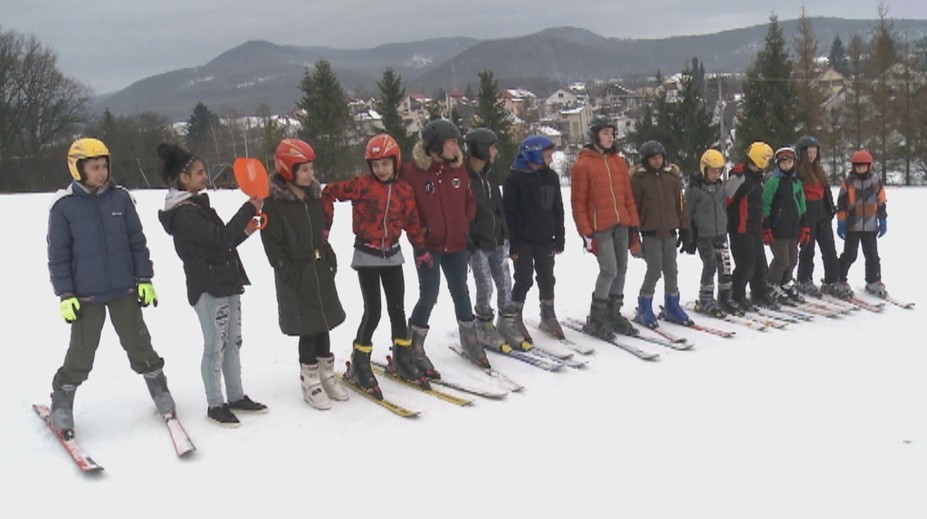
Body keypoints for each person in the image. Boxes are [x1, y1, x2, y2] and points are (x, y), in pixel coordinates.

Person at [47, 138, 176, 438]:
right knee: (82, 352)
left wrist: (144, 278)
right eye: (94, 167)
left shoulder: (120, 199)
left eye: (104, 166)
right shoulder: (64, 207)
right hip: (85, 295)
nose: (102, 172)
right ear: (78, 169)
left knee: (139, 343)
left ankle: (159, 388)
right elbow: (58, 256)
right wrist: (65, 295)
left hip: (123, 290)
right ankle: (62, 400)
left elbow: (137, 243)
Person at [156, 142, 267, 427]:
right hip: (208, 288)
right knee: (215, 345)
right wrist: (248, 208)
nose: (206, 177)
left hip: (227, 280)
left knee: (233, 342)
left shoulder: (197, 206)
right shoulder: (184, 214)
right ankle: (215, 403)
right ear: (184, 178)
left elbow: (223, 242)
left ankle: (236, 395)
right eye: (200, 172)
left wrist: (245, 230)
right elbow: (219, 239)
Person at [321, 134, 431, 399]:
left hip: (392, 254)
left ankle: (403, 358)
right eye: (375, 164)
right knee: (374, 311)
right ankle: (360, 363)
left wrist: (422, 249)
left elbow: (413, 223)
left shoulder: (404, 191)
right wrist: (325, 227)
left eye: (385, 164)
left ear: (395, 162)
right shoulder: (362, 185)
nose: (381, 169)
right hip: (367, 255)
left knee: (397, 309)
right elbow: (329, 193)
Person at [260, 138, 348, 410]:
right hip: (296, 275)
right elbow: (272, 246)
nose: (311, 174)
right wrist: (289, 272)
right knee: (308, 329)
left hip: (318, 269)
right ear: (288, 170)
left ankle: (325, 375)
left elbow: (319, 231)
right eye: (305, 170)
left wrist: (328, 254)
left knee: (323, 324)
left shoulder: (312, 197)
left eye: (312, 168)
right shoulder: (274, 204)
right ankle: (310, 380)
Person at [401, 119, 486, 375]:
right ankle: (412, 345)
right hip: (428, 246)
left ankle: (470, 339)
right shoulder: (412, 173)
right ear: (436, 145)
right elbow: (408, 210)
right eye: (452, 142)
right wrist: (421, 235)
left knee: (461, 290)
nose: (456, 147)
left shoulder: (459, 170)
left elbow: (469, 200)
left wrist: (467, 224)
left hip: (457, 243)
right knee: (429, 293)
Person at [570, 117, 641, 340]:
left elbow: (628, 196)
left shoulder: (619, 162)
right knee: (609, 269)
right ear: (595, 136)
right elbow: (578, 202)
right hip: (600, 226)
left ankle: (613, 312)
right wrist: (586, 233)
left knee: (621, 269)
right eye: (605, 133)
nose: (610, 136)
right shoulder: (583, 165)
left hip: (622, 224)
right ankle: (597, 316)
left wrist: (633, 225)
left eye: (612, 132)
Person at [463, 128, 530, 351]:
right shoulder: (463, 178)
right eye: (492, 147)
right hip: (477, 243)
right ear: (480, 148)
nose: (496, 152)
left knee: (504, 284)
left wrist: (506, 235)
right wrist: (469, 241)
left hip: (497, 240)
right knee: (485, 287)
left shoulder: (490, 175)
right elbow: (462, 213)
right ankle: (483, 326)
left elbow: (498, 208)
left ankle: (506, 322)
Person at [503, 135, 566, 340]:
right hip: (522, 240)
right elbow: (508, 215)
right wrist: (512, 245)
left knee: (547, 278)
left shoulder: (551, 177)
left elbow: (558, 208)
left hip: (546, 237)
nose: (550, 160)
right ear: (534, 155)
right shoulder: (514, 179)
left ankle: (548, 314)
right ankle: (514, 317)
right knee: (524, 278)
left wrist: (560, 236)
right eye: (547, 156)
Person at [630, 140, 692, 327]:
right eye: (653, 158)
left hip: (670, 231)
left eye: (660, 157)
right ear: (645, 160)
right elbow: (634, 208)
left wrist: (685, 228)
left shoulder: (671, 178)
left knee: (671, 269)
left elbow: (680, 205)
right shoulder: (639, 181)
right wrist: (634, 235)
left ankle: (672, 305)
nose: (657, 161)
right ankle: (644, 305)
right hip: (650, 232)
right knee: (654, 269)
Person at [684, 149, 743, 317]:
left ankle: (725, 297)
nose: (715, 174)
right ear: (704, 169)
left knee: (725, 265)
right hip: (704, 235)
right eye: (712, 171)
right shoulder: (694, 189)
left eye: (718, 171)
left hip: (720, 232)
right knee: (710, 265)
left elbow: (723, 208)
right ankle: (706, 298)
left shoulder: (720, 187)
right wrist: (688, 233)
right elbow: (687, 212)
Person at [725, 141, 780, 310]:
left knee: (760, 262)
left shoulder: (757, 178)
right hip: (740, 228)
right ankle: (737, 294)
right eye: (766, 159)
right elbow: (726, 201)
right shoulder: (739, 178)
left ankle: (759, 292)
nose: (768, 163)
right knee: (746, 263)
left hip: (754, 227)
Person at [793, 136, 846, 298]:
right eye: (808, 152)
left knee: (829, 249)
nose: (811, 155)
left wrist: (831, 210)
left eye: (814, 152)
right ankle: (804, 279)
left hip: (822, 214)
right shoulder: (797, 172)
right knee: (808, 250)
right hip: (807, 214)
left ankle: (832, 280)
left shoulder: (819, 170)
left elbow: (826, 191)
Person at [836, 149, 888, 297]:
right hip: (852, 225)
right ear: (853, 167)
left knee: (872, 255)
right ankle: (839, 278)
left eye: (863, 166)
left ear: (869, 166)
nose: (861, 169)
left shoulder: (875, 181)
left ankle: (873, 280)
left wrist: (883, 219)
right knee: (850, 254)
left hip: (870, 225)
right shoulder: (848, 183)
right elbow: (841, 204)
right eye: (858, 166)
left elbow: (881, 201)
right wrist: (841, 222)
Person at [761, 146, 809, 305]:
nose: (787, 165)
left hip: (793, 229)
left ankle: (785, 281)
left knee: (793, 259)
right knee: (782, 260)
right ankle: (772, 282)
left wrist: (805, 225)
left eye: (790, 162)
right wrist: (766, 227)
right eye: (784, 163)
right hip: (778, 229)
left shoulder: (796, 182)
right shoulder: (773, 182)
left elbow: (801, 204)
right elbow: (765, 204)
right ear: (778, 164)